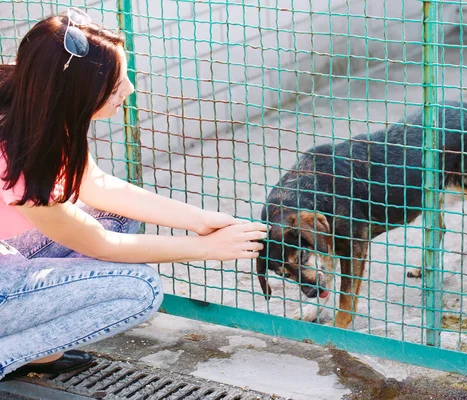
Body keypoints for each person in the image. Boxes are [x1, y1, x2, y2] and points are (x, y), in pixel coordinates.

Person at [0, 8, 267, 380]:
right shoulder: (17, 156)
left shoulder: (35, 105)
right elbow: (102, 245)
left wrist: (202, 221)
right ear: (74, 94)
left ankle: (30, 340)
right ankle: (13, 354)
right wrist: (207, 249)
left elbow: (93, 185)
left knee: (119, 215)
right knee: (138, 289)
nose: (129, 89)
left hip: (7, 257)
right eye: (114, 86)